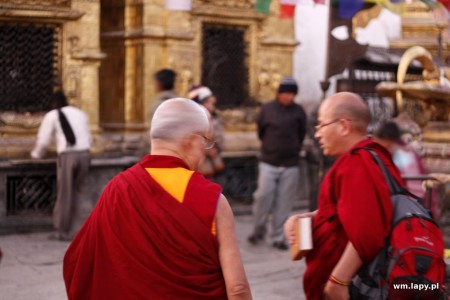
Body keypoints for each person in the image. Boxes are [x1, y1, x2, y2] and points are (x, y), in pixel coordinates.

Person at [63, 98, 252, 300]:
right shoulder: (213, 201)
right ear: (193, 141)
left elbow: (78, 263)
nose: (205, 153)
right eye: (206, 143)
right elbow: (238, 289)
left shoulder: (118, 188)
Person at [284, 92, 404, 300]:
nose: (318, 134)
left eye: (321, 125)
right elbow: (351, 211)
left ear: (343, 126)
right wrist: (311, 217)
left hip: (354, 287)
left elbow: (367, 232)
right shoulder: (373, 157)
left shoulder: (356, 163)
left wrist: (338, 282)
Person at [248, 76, 307, 250]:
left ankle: (278, 236)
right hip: (268, 162)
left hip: (290, 164)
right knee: (262, 197)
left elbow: (301, 133)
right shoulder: (267, 110)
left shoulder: (299, 112)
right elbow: (261, 132)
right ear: (279, 93)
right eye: (286, 93)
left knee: (284, 202)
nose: (290, 97)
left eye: (292, 94)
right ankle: (258, 229)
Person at [31, 91, 91, 241]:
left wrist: (36, 155)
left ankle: (61, 231)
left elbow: (43, 141)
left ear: (53, 103)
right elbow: (89, 136)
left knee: (65, 193)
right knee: (78, 192)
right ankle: (80, 229)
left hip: (68, 156)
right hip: (85, 155)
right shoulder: (80, 114)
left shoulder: (52, 115)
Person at [188, 85, 225, 179]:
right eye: (208, 103)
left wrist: (216, 147)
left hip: (212, 162)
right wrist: (208, 150)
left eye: (213, 104)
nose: (211, 107)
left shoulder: (213, 117)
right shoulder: (194, 119)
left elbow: (218, 137)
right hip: (200, 164)